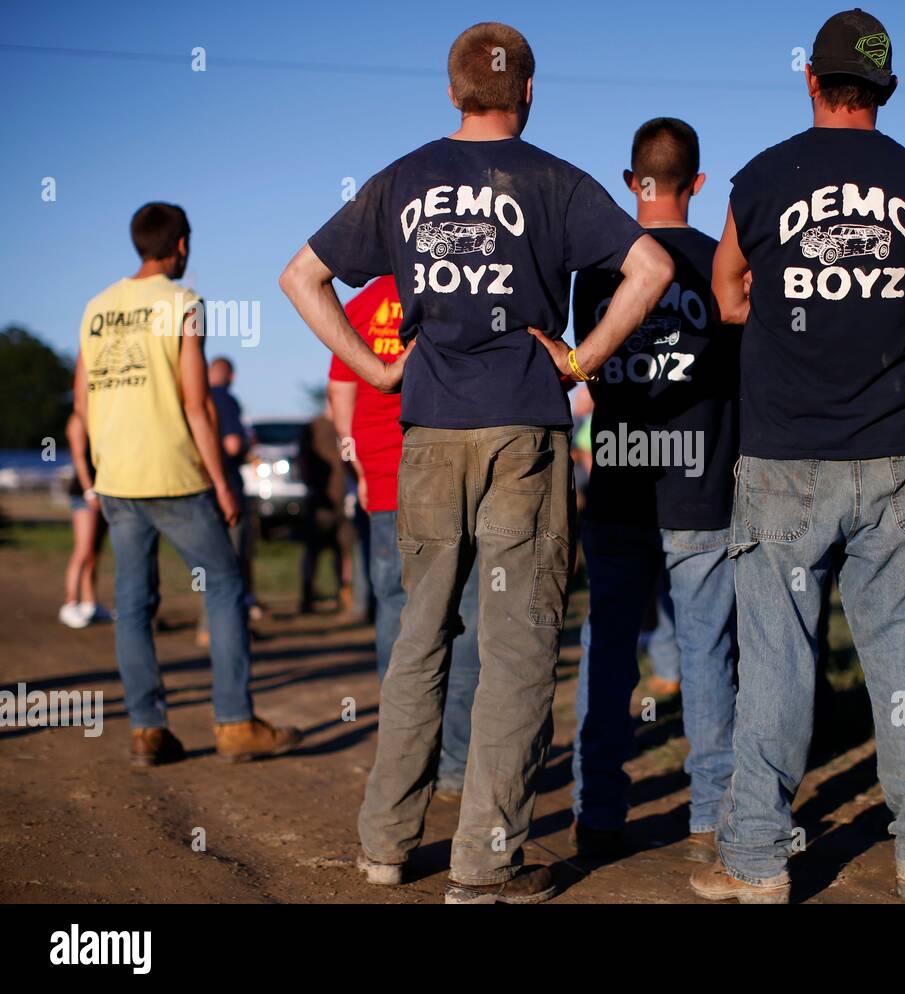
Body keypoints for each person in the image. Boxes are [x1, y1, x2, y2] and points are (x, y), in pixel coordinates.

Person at [279, 21, 672, 904]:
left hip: (427, 438)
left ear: (452, 92)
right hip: (524, 437)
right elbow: (647, 267)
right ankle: (485, 863)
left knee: (421, 637)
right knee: (520, 647)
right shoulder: (556, 182)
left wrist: (380, 368)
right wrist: (583, 359)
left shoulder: (402, 179)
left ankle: (384, 844)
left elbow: (301, 276)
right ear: (528, 93)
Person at [693, 9, 905, 905]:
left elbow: (727, 291)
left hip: (782, 456)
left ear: (810, 80)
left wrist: (779, 305)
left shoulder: (766, 175)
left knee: (777, 658)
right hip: (893, 454)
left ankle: (759, 861)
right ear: (887, 88)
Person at [74, 202, 300, 766]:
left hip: (117, 479)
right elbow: (195, 403)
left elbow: (81, 401)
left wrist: (95, 468)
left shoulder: (96, 308)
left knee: (132, 604)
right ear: (180, 244)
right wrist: (223, 484)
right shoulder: (183, 303)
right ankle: (234, 723)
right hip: (173, 474)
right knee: (223, 586)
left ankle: (148, 730)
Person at [569, 117, 740, 863]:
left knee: (610, 645)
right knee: (707, 650)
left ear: (629, 180)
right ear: (697, 184)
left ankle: (597, 813)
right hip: (703, 483)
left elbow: (592, 370)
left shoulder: (600, 272)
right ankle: (711, 816)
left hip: (620, 485)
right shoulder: (722, 267)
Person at [325, 276, 480, 798]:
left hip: (386, 479)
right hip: (449, 471)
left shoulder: (363, 304)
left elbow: (340, 389)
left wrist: (359, 463)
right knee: (459, 618)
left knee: (397, 618)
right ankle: (457, 766)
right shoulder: (458, 286)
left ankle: (403, 766)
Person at [197, 356, 256, 644]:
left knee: (207, 562)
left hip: (197, 489)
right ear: (230, 375)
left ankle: (206, 628)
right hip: (227, 489)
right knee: (232, 561)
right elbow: (232, 444)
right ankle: (229, 630)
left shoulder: (194, 398)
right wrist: (247, 447)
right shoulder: (227, 400)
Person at [298, 400, 353, 613]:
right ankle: (307, 596)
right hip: (320, 500)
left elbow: (350, 460)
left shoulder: (345, 428)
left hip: (343, 499)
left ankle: (344, 594)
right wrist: (312, 486)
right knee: (313, 551)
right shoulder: (313, 427)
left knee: (343, 550)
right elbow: (303, 461)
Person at [59, 411, 109, 628]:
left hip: (102, 492)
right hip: (83, 494)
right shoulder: (77, 420)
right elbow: (78, 456)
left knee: (94, 553)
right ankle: (70, 603)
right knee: (83, 550)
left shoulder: (100, 414)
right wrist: (89, 491)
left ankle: (90, 603)